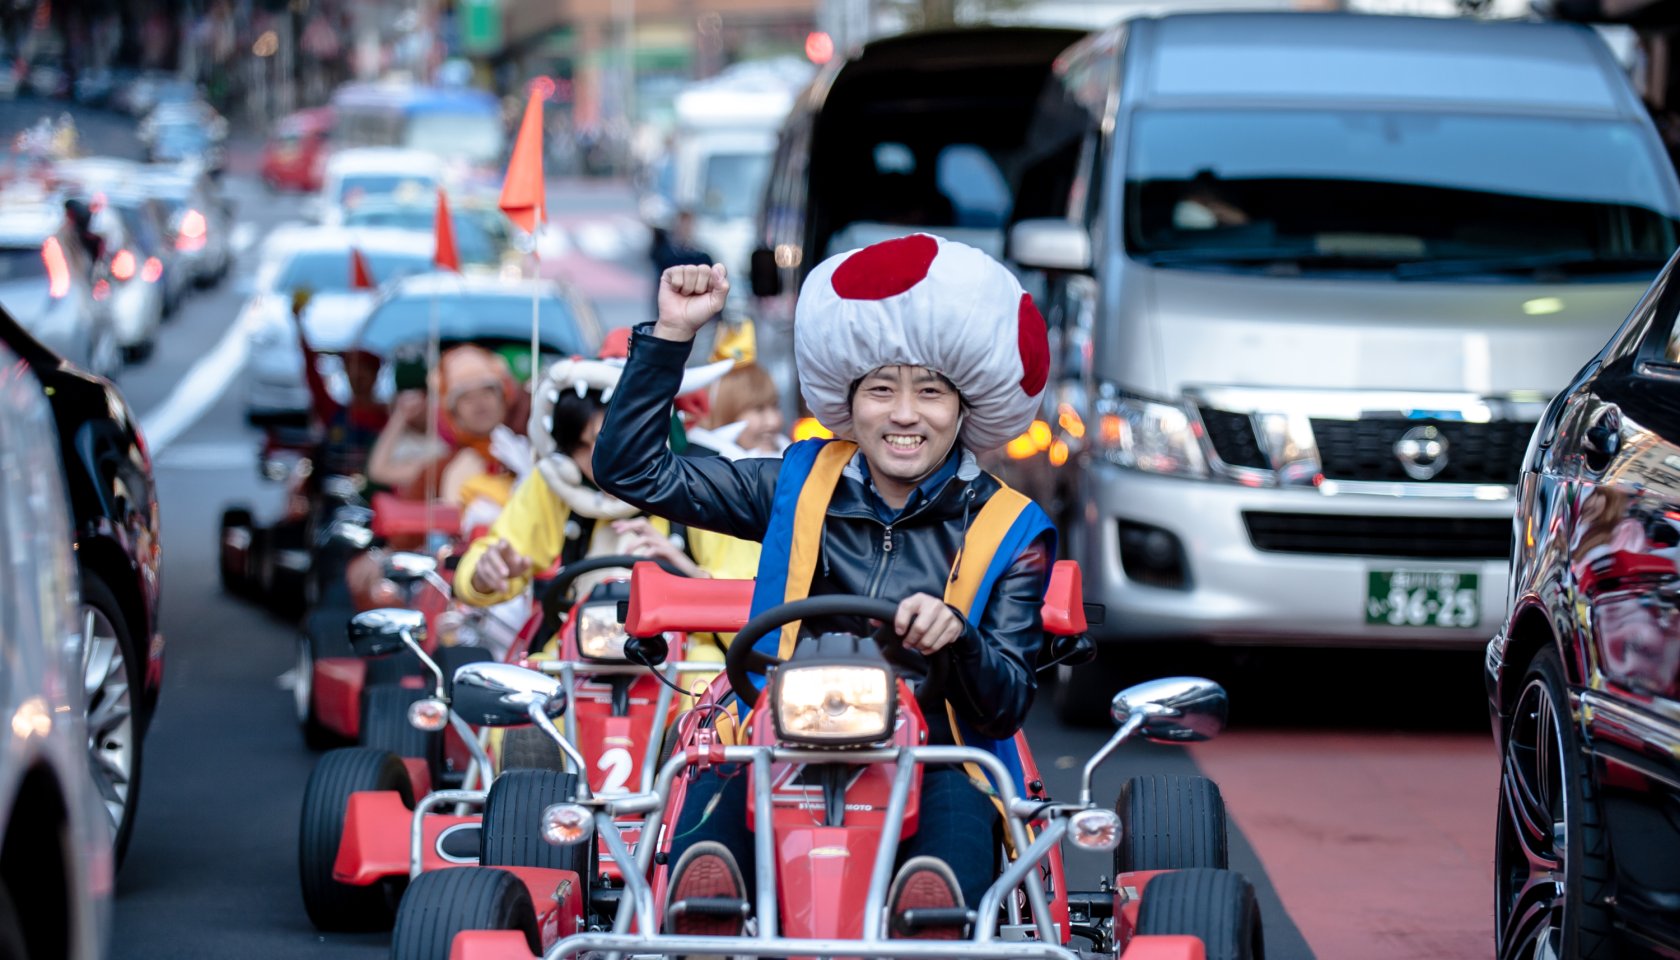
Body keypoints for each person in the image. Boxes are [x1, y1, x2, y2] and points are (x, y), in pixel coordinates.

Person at [593, 232, 1055, 941]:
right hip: (770, 737)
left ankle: (930, 929)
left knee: (957, 834)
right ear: (851, 400)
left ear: (964, 406)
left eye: (930, 392)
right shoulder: (795, 481)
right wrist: (671, 337)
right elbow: (633, 473)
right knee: (707, 811)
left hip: (936, 750)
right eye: (881, 390)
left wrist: (957, 638)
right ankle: (698, 928)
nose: (904, 414)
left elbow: (1006, 704)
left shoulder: (1012, 528)